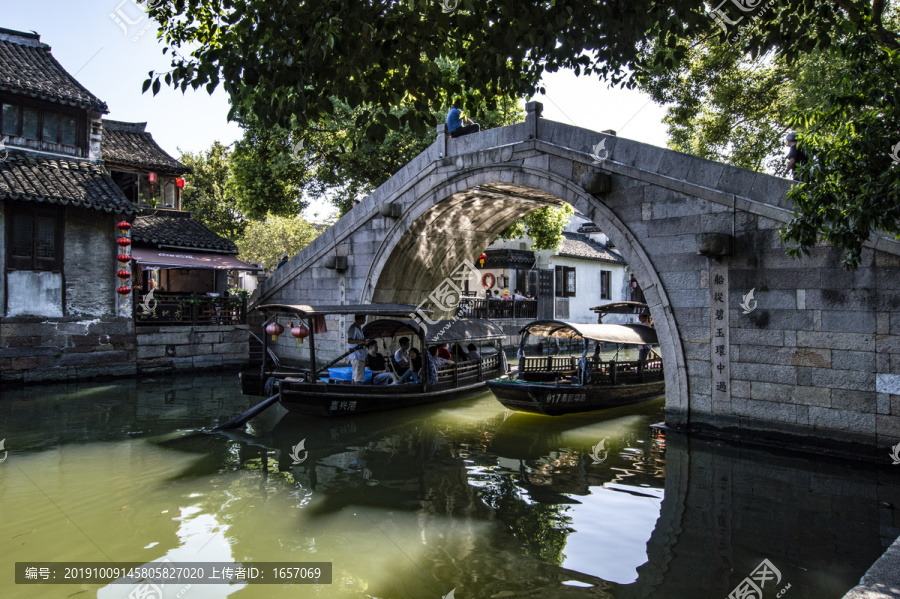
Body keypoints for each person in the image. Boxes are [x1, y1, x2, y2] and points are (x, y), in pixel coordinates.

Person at [347, 314, 368, 384]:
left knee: (355, 376)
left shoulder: (358, 328)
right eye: (364, 318)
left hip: (360, 355)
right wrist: (361, 341)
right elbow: (349, 340)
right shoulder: (353, 328)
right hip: (356, 355)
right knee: (358, 377)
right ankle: (357, 391)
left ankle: (353, 390)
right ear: (359, 319)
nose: (365, 320)